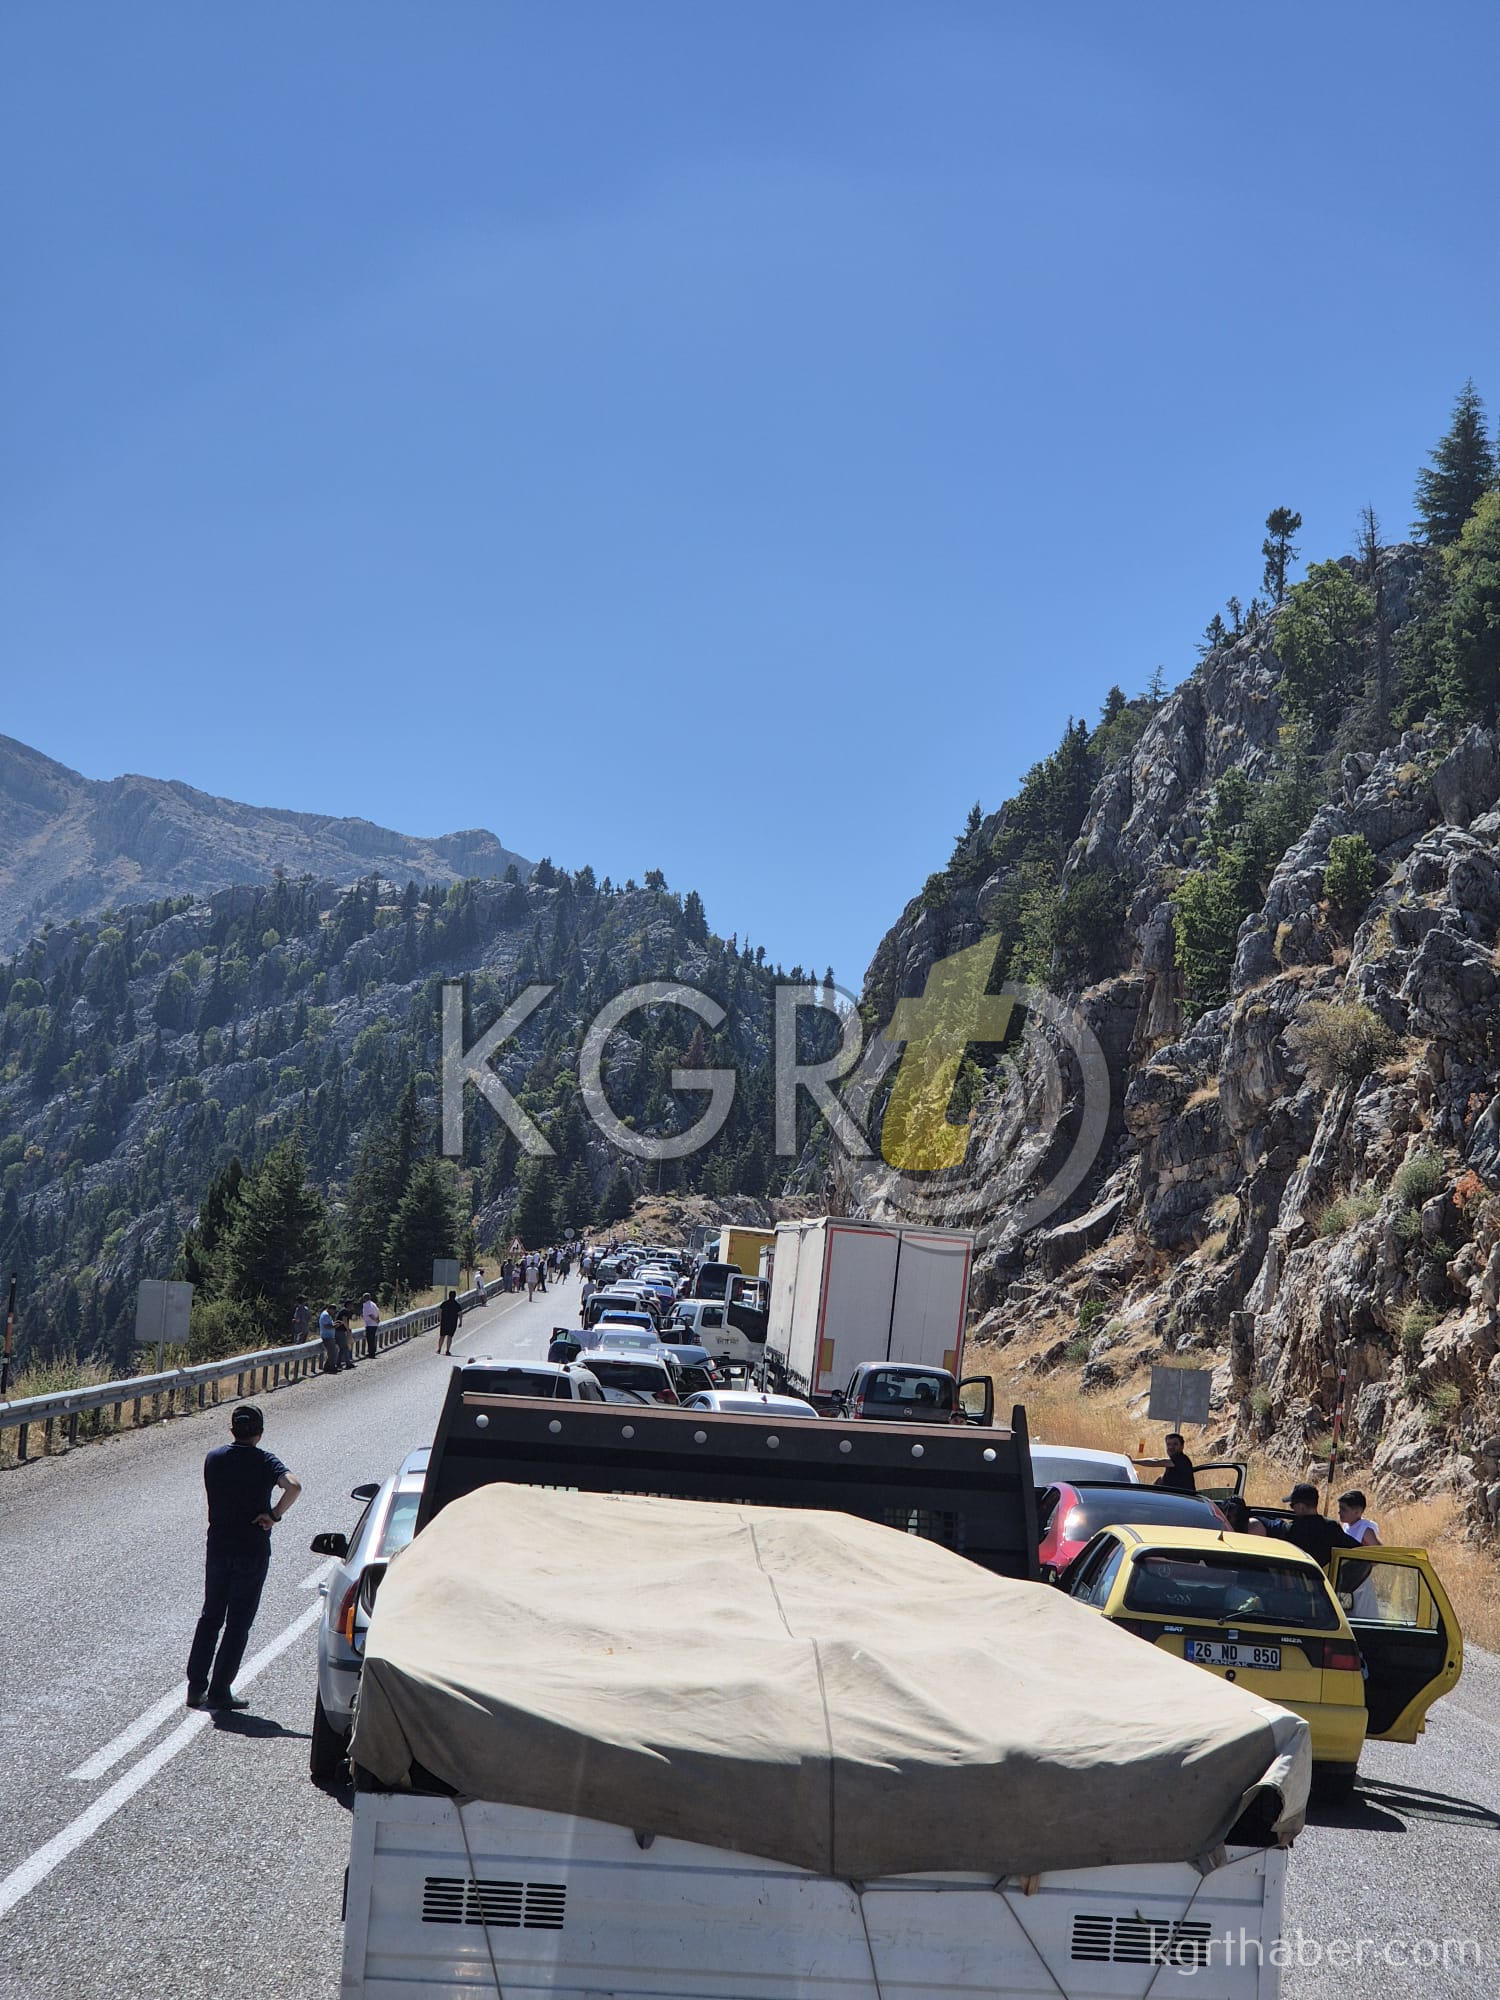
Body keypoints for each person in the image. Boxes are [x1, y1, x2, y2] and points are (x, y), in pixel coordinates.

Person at [186, 1405, 300, 1711]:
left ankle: (196, 1687)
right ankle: (220, 1689)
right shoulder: (265, 1461)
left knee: (211, 1616)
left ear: (232, 1429)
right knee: (238, 1622)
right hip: (251, 1547)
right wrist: (274, 1515)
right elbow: (294, 1486)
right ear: (259, 1432)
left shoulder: (214, 1458)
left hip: (219, 1545)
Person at [1269, 1482, 1360, 1571]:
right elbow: (1358, 1551)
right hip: (1324, 1583)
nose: (1292, 1509)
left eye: (1292, 1505)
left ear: (1301, 1507)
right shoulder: (1332, 1528)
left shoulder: (1292, 1529)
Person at [1338, 1489, 1381, 1617]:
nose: (1339, 1512)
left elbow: (1379, 1555)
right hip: (1347, 1582)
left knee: (1364, 1619)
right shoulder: (1346, 1527)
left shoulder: (1365, 1529)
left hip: (1360, 1583)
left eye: (1343, 1509)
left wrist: (1362, 1562)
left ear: (1357, 1511)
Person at [437, 1288, 460, 1355]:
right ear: (455, 1296)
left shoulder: (444, 1303)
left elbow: (440, 1310)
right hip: (453, 1323)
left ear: (449, 1295)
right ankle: (447, 1350)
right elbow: (460, 1313)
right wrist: (460, 1322)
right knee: (450, 1336)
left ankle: (439, 1349)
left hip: (444, 1322)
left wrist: (440, 1318)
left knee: (442, 1336)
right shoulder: (457, 1304)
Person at [317, 1303, 339, 1374]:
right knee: (332, 1352)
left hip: (330, 1336)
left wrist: (335, 1323)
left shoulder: (328, 1315)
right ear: (330, 1309)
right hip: (327, 1337)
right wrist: (335, 1326)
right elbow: (327, 1326)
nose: (334, 1312)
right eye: (333, 1311)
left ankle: (327, 1367)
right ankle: (332, 1367)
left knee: (333, 1351)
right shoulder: (325, 1315)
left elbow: (330, 1324)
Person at [334, 1304, 356, 1371]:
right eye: (351, 1304)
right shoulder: (345, 1311)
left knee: (342, 1348)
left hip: (338, 1331)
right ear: (348, 1305)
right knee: (345, 1347)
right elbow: (344, 1320)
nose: (352, 1306)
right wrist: (348, 1329)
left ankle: (338, 1363)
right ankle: (348, 1363)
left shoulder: (342, 1310)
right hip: (340, 1331)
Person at [361, 1291, 380, 1361]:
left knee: (370, 1339)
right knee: (372, 1338)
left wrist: (375, 1320)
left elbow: (370, 1314)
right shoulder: (373, 1304)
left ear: (364, 1298)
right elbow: (377, 1312)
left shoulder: (366, 1305)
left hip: (370, 1324)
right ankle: (372, 1352)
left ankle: (371, 1353)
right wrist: (377, 1320)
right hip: (374, 1324)